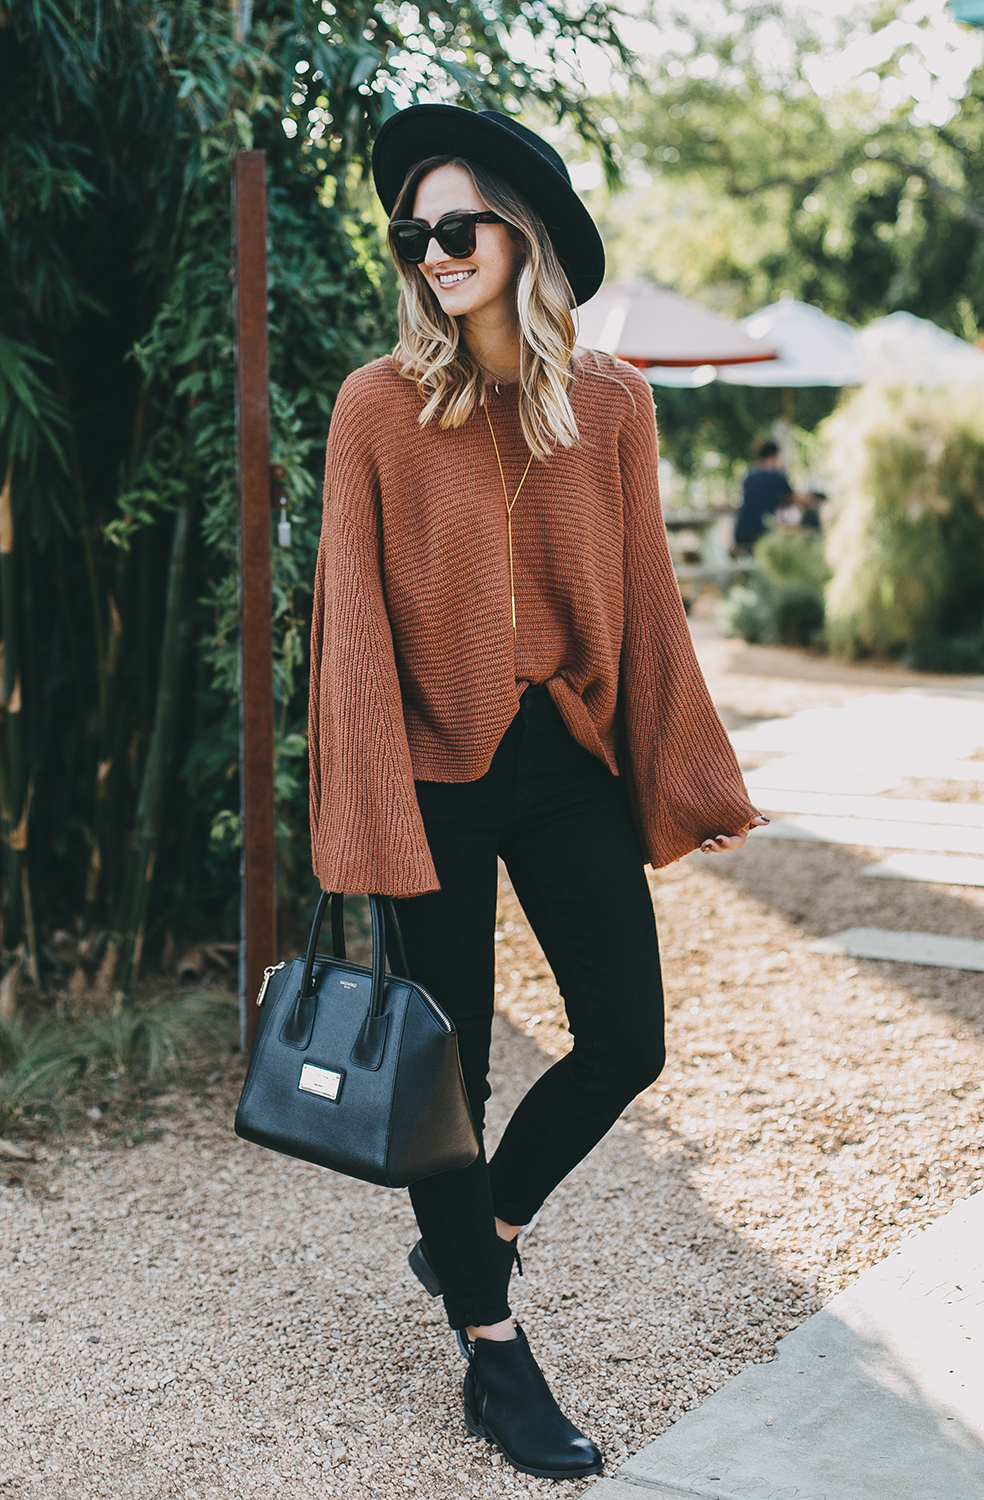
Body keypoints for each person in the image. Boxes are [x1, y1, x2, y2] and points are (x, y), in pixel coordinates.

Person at [308, 103, 766, 1482]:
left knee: (627, 1037)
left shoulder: (612, 404)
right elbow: (349, 630)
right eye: (416, 233)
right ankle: (495, 1359)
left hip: (561, 764)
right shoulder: (376, 407)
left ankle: (475, 1228)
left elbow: (644, 607)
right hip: (430, 780)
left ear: (525, 236)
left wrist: (686, 767)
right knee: (451, 1076)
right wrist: (369, 811)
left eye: (459, 227)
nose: (435, 252)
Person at [733, 439, 812, 552]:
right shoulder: (776, 476)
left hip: (742, 531)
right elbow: (793, 498)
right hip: (762, 533)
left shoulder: (749, 477)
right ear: (775, 456)